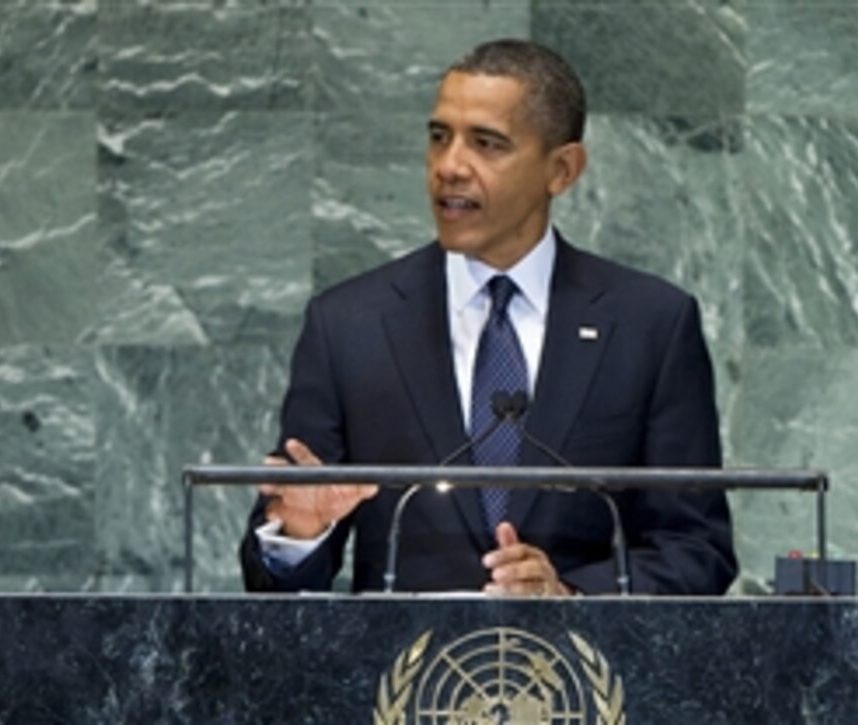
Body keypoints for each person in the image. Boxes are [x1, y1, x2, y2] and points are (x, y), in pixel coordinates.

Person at [239, 39, 737, 596]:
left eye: (487, 144)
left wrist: (570, 597)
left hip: (584, 678)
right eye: (439, 138)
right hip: (401, 676)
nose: (450, 167)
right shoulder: (349, 325)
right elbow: (272, 582)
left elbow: (697, 551)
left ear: (562, 169)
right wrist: (301, 532)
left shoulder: (651, 325)